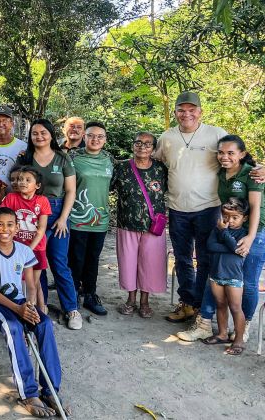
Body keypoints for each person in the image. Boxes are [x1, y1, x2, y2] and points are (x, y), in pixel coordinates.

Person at [0, 207, 69, 418]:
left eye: (10, 225)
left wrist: (30, 306)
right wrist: (18, 310)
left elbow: (31, 285)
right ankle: (28, 393)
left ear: (17, 228)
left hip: (20, 301)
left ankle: (51, 390)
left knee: (44, 324)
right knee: (14, 326)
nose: (4, 229)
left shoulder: (25, 251)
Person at [178, 135, 264, 342]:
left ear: (242, 154)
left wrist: (251, 237)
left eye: (231, 153)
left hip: (256, 231)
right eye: (221, 152)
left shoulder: (252, 174)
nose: (224, 156)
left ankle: (244, 327)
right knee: (214, 275)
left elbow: (255, 209)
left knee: (249, 282)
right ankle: (205, 324)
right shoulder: (220, 172)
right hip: (228, 229)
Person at [153, 91, 227, 324]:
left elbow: (237, 157)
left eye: (191, 109)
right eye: (181, 110)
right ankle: (187, 303)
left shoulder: (216, 134)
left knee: (205, 258)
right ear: (175, 112)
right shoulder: (167, 137)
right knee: (182, 258)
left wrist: (258, 169)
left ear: (200, 111)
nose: (187, 114)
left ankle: (203, 308)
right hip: (177, 209)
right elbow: (153, 162)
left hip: (208, 207)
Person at [16, 119, 82, 330]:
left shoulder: (63, 158)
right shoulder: (25, 158)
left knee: (59, 262)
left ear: (51, 134)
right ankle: (38, 308)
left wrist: (63, 218)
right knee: (36, 263)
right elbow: (18, 186)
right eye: (35, 133)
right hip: (31, 215)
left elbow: (71, 191)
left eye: (43, 132)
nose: (39, 136)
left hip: (57, 212)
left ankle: (71, 309)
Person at [111, 132, 168, 318]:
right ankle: (130, 299)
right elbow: (108, 187)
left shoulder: (160, 169)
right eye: (138, 143)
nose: (142, 147)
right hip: (126, 223)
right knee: (128, 263)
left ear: (153, 148)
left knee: (150, 263)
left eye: (147, 144)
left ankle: (145, 301)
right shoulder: (121, 168)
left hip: (153, 226)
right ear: (133, 144)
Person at [68, 121, 114, 316]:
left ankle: (90, 294)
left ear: (105, 139)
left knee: (93, 258)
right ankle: (71, 296)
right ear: (84, 137)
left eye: (100, 136)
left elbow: (112, 185)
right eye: (91, 135)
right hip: (77, 216)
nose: (95, 139)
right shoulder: (72, 157)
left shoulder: (109, 159)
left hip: (100, 218)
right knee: (76, 258)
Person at [201, 198, 249, 355]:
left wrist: (224, 233)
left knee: (236, 308)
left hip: (234, 277)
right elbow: (210, 246)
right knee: (220, 304)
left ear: (245, 218)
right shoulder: (216, 229)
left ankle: (239, 339)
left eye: (235, 217)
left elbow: (237, 247)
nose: (229, 221)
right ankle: (222, 334)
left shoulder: (244, 234)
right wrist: (230, 246)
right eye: (226, 217)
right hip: (216, 275)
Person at [1, 166, 51, 312]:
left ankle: (35, 314)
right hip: (14, 248)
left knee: (33, 284)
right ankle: (20, 310)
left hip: (36, 249)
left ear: (38, 185)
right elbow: (3, 219)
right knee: (15, 281)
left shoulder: (42, 201)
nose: (22, 182)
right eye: (20, 179)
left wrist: (28, 250)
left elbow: (41, 229)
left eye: (27, 180)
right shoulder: (11, 198)